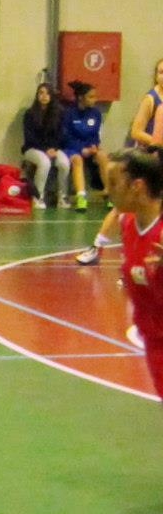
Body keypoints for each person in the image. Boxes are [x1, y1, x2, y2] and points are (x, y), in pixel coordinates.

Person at [76, 59, 163, 265]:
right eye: (160, 72)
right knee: (123, 206)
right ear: (155, 75)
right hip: (147, 159)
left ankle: (144, 258)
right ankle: (97, 246)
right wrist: (155, 143)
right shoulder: (152, 100)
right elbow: (136, 131)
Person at [104, 148, 163, 400]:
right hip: (154, 339)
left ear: (137, 186)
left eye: (113, 183)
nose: (107, 190)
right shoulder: (128, 225)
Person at [61, 80, 109, 212]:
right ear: (81, 98)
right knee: (77, 160)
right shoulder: (68, 114)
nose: (95, 100)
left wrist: (94, 146)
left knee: (103, 156)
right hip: (72, 148)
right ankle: (81, 197)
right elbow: (65, 137)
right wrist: (81, 149)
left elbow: (95, 134)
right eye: (91, 97)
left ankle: (109, 193)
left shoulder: (96, 114)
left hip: (89, 148)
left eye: (95, 96)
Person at [22, 83, 69, 210]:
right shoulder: (29, 114)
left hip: (53, 149)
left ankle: (62, 197)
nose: (44, 96)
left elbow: (60, 135)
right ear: (37, 95)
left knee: (64, 163)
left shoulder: (59, 113)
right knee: (45, 162)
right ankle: (38, 197)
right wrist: (45, 150)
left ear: (51, 96)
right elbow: (29, 138)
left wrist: (54, 148)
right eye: (41, 93)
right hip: (32, 149)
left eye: (47, 93)